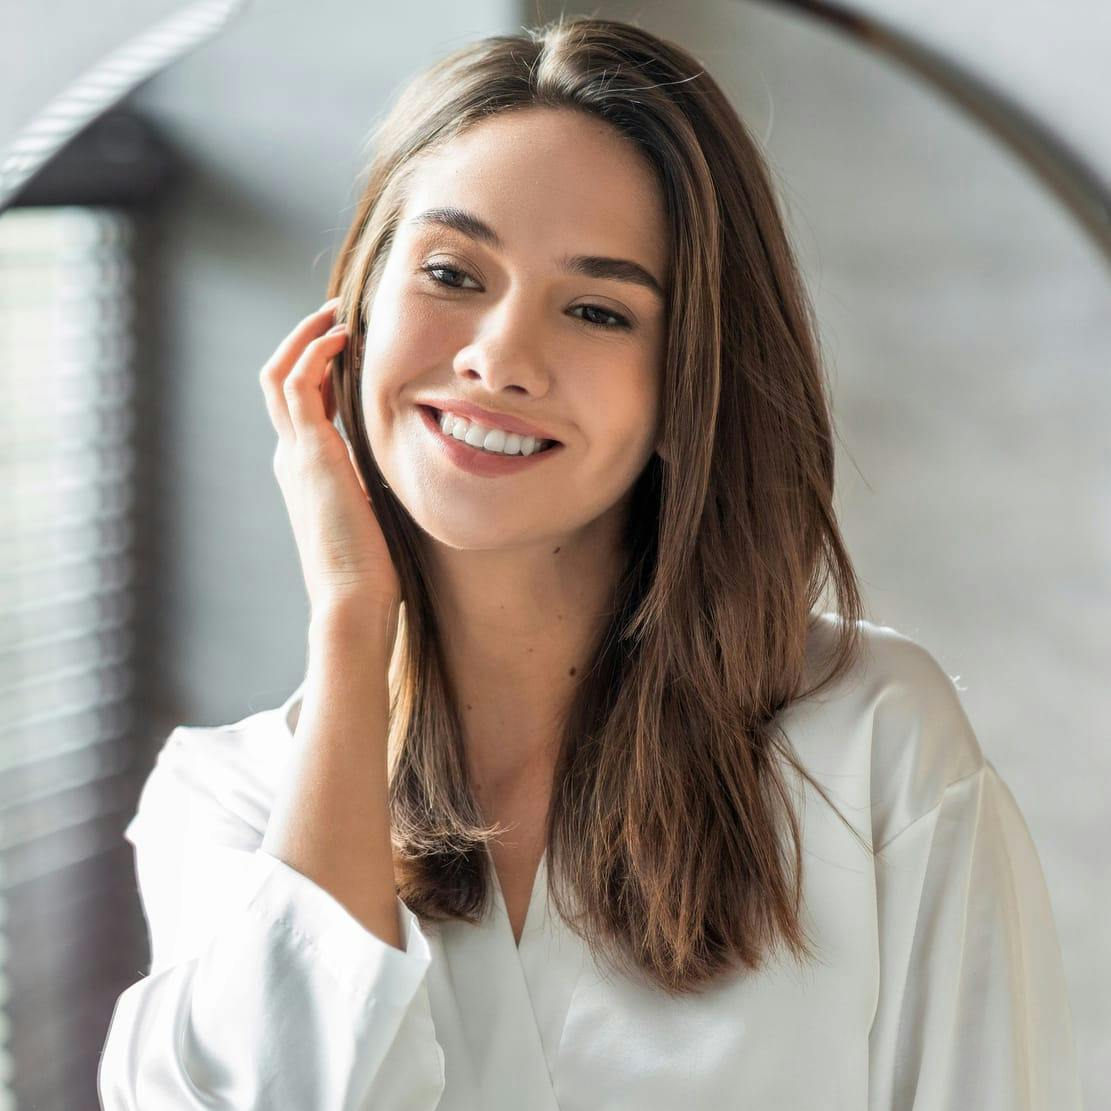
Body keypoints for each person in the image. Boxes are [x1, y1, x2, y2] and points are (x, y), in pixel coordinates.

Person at [97, 14, 1084, 1110]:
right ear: (355, 312)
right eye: (449, 271)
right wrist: (348, 621)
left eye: (597, 309)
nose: (500, 358)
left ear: (686, 386)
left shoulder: (869, 746)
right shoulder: (227, 801)